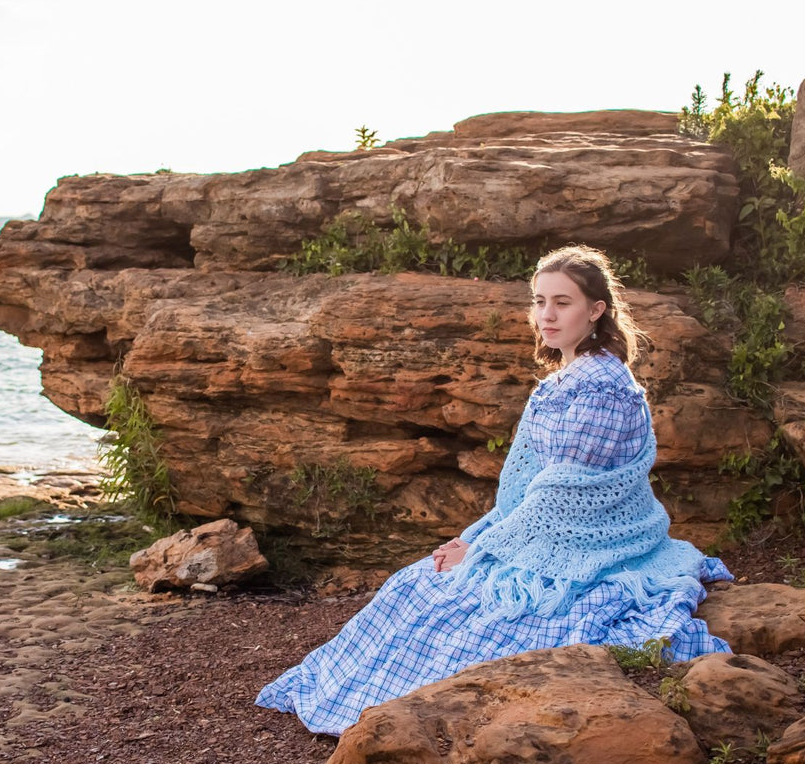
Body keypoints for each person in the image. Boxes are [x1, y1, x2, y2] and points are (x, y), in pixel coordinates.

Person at [256, 244, 732, 735]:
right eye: (539, 300)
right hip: (550, 531)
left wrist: (481, 549)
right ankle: (365, 703)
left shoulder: (601, 387)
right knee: (418, 584)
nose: (546, 314)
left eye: (562, 302)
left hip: (593, 543)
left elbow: (563, 495)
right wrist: (475, 536)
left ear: (596, 311)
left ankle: (396, 716)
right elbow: (525, 490)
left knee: (453, 604)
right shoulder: (567, 377)